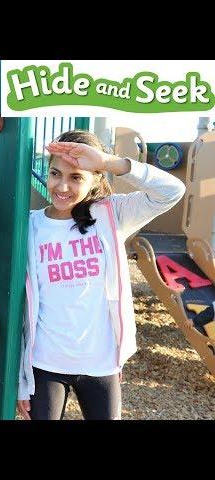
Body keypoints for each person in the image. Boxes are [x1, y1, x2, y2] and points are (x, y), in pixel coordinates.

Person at [17, 130, 186, 420]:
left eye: (76, 177)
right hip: (45, 363)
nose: (61, 186)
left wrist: (109, 162)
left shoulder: (110, 215)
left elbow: (172, 191)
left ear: (96, 178)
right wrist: (23, 380)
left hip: (100, 363)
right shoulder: (30, 225)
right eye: (55, 173)